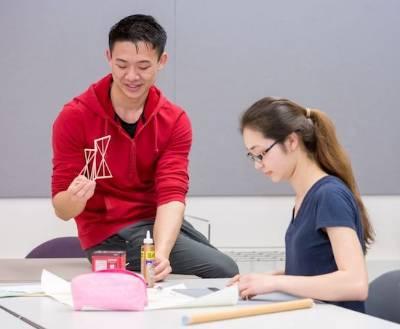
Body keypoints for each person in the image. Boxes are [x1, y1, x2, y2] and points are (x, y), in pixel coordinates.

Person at [51, 14, 238, 280]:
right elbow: (61, 209)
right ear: (108, 58)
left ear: (162, 61)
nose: (131, 76)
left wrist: (159, 254)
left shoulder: (174, 120)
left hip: (152, 223)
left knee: (224, 271)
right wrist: (74, 199)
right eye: (122, 65)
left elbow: (172, 193)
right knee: (223, 270)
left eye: (143, 66)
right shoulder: (75, 117)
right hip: (107, 233)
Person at [230, 97, 374, 312]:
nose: (258, 165)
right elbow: (315, 271)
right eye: (253, 156)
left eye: (262, 153)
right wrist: (267, 278)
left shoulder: (329, 195)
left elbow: (354, 284)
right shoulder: (305, 198)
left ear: (291, 141)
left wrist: (275, 283)